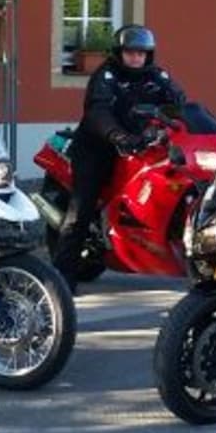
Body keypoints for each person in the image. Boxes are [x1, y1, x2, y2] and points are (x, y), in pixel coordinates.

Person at [57, 24, 187, 271]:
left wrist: (187, 120)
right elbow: (98, 111)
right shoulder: (106, 76)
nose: (136, 57)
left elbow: (180, 103)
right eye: (130, 52)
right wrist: (117, 135)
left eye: (141, 53)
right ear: (120, 53)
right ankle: (61, 276)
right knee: (81, 208)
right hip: (99, 146)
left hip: (141, 145)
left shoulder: (158, 76)